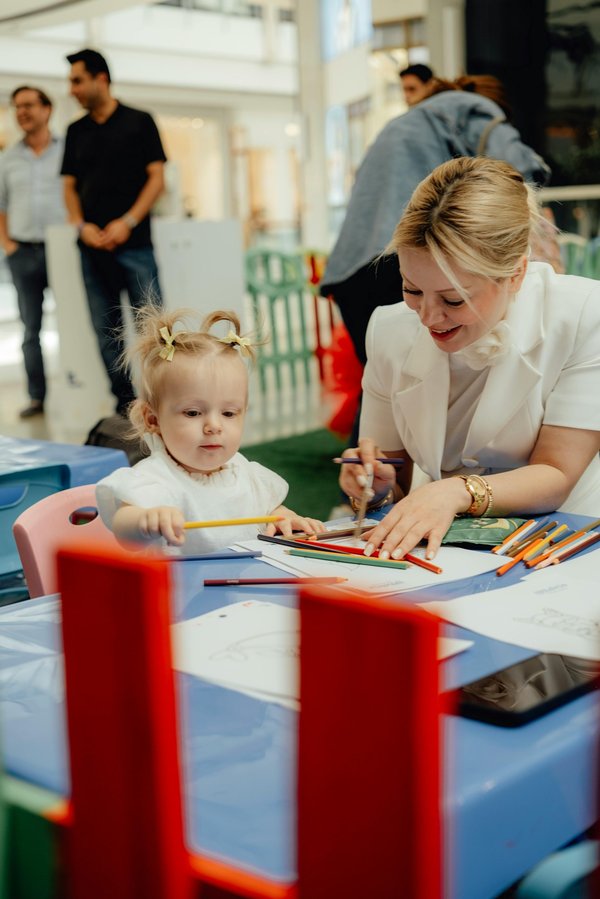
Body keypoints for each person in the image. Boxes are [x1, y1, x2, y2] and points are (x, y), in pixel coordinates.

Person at [338, 156, 600, 562]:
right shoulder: (388, 330)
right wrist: (373, 488)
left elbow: (557, 474)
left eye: (453, 299)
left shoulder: (584, 315)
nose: (428, 317)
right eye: (412, 289)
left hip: (570, 536)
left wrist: (457, 491)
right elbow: (392, 478)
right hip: (453, 550)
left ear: (516, 274)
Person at [320, 75, 551, 365]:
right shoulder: (475, 111)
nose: (429, 317)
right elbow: (520, 170)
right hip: (403, 258)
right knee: (441, 365)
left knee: (389, 374)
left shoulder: (404, 123)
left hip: (349, 275)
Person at [96, 307, 325, 554]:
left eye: (229, 413)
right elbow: (123, 527)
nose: (214, 426)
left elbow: (270, 511)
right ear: (152, 419)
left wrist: (284, 517)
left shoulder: (246, 474)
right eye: (193, 413)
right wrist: (145, 520)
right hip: (180, 580)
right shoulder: (156, 479)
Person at [61, 48, 167, 415]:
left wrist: (128, 221)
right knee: (106, 330)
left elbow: (157, 179)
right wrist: (81, 225)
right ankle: (125, 406)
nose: (72, 89)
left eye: (77, 81)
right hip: (92, 249)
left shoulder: (140, 121)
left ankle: (163, 395)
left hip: (135, 245)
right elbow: (69, 187)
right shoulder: (75, 131)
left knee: (153, 326)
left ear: (101, 79)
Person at [0, 85, 65, 418]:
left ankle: (80, 388)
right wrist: (8, 245)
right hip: (23, 251)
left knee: (76, 322)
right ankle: (37, 397)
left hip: (64, 251)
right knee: (30, 329)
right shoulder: (8, 159)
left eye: (28, 105)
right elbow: (1, 206)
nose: (22, 112)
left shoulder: (67, 150)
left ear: (47, 109)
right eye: (17, 107)